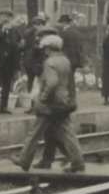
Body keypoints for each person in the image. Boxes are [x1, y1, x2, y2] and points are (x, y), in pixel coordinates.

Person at [16, 32, 85, 173]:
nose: (44, 51)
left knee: (35, 131)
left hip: (51, 103)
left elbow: (52, 83)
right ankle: (77, 162)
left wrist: (43, 98)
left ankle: (24, 160)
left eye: (45, 48)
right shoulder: (65, 60)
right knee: (67, 133)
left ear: (49, 48)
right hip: (64, 101)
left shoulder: (49, 63)